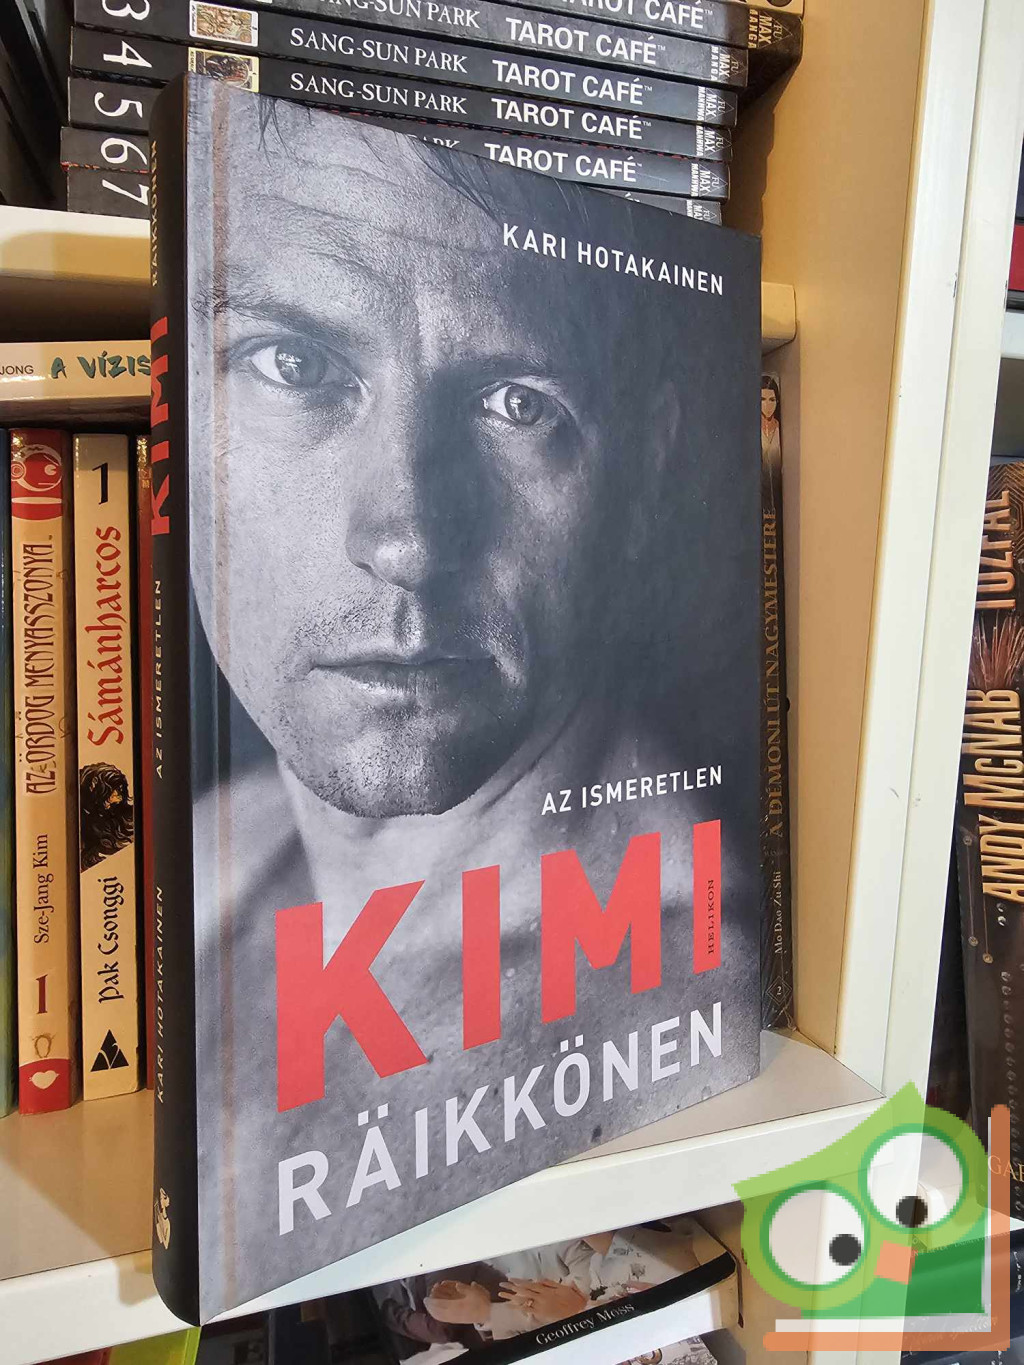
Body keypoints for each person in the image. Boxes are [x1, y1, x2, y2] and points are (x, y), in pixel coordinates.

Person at [184, 82, 759, 1309]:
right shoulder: (190, 874)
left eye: (518, 405)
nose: (406, 539)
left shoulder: (695, 985)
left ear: (648, 468)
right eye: (295, 365)